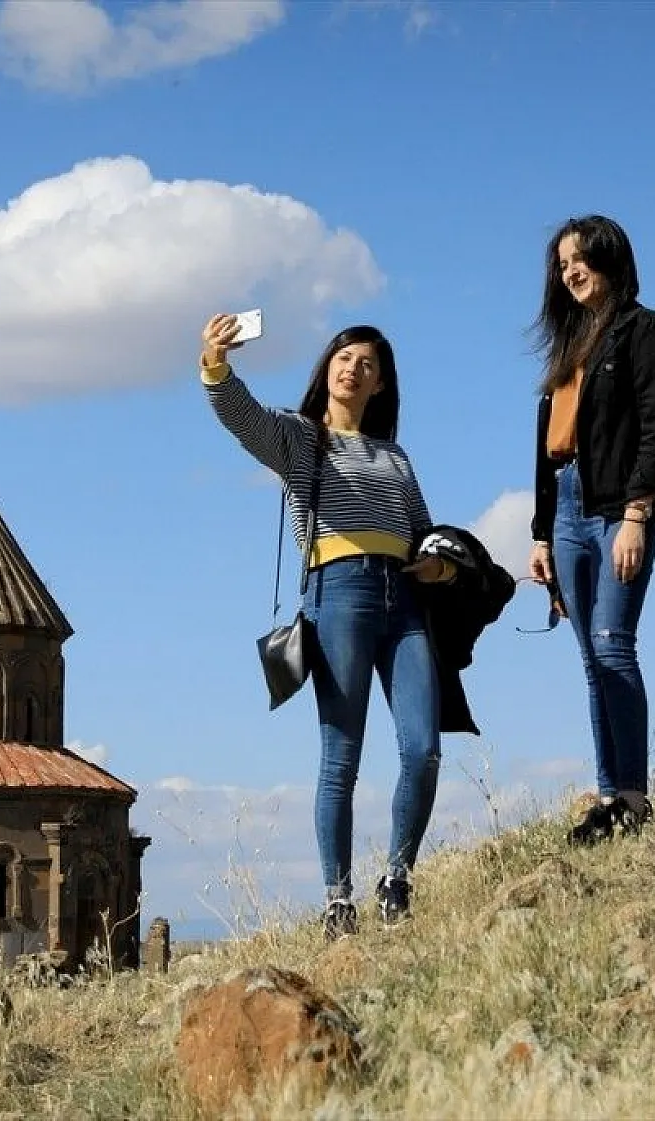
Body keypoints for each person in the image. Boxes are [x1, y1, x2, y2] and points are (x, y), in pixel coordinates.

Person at [199, 315, 447, 938]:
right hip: (339, 591)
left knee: (423, 748)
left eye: (366, 362)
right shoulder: (302, 440)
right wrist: (216, 365)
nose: (352, 367)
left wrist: (440, 562)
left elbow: (424, 528)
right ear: (327, 369)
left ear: (381, 383)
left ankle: (397, 878)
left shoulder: (395, 455)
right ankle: (339, 899)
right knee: (343, 755)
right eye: (343, 356)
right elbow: (243, 418)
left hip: (404, 597)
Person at [526, 216, 655, 846]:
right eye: (561, 263)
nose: (570, 271)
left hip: (618, 508)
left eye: (581, 259)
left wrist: (638, 513)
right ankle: (607, 797)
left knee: (611, 643)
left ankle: (632, 795)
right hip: (568, 510)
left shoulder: (644, 330)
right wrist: (541, 534)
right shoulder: (569, 348)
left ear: (610, 261)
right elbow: (548, 452)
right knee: (589, 659)